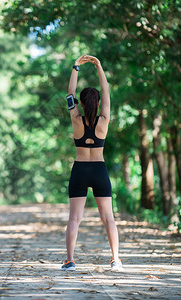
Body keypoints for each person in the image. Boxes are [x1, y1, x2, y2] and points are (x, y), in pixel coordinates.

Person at [61, 55, 123, 271]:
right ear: (97, 103)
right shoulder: (103, 120)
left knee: (74, 219)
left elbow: (69, 94)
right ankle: (115, 259)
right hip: (99, 170)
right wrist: (99, 65)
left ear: (81, 101)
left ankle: (69, 261)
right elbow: (106, 92)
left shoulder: (75, 119)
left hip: (80, 170)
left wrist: (76, 67)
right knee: (108, 218)